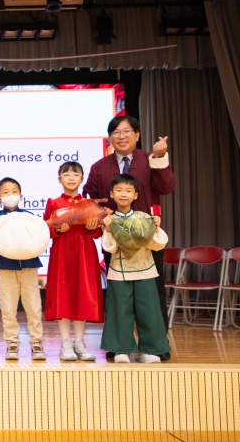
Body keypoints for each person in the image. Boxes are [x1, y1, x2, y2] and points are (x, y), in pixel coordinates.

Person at [83, 115, 175, 360]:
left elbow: (166, 187)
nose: (121, 136)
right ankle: (119, 344)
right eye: (116, 132)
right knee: (117, 294)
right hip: (114, 238)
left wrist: (160, 157)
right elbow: (90, 197)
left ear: (137, 135)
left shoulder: (150, 159)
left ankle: (156, 346)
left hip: (147, 238)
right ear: (109, 138)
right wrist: (99, 217)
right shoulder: (100, 167)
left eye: (126, 131)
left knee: (153, 293)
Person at [100, 174, 171, 364]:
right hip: (118, 271)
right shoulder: (108, 220)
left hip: (145, 270)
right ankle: (121, 350)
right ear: (111, 194)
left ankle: (150, 350)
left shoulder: (145, 218)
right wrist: (108, 230)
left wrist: (156, 227)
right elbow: (109, 248)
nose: (123, 194)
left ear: (136, 195)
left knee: (149, 311)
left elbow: (158, 244)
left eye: (128, 190)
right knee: (119, 311)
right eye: (119, 190)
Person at [43, 163, 104, 361]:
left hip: (84, 251)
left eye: (75, 174)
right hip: (62, 251)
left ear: (82, 179)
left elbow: (97, 232)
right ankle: (65, 343)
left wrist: (92, 227)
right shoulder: (54, 203)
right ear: (59, 179)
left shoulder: (88, 203)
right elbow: (46, 229)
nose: (71, 178)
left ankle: (80, 343)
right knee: (63, 295)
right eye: (66, 174)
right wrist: (56, 230)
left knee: (82, 294)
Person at [0, 177, 45, 361]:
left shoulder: (29, 217)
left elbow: (38, 238)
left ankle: (36, 343)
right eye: (5, 193)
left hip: (29, 266)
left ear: (20, 196)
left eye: (14, 192)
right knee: (8, 307)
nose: (10, 195)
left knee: (33, 306)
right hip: (4, 267)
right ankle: (12, 343)